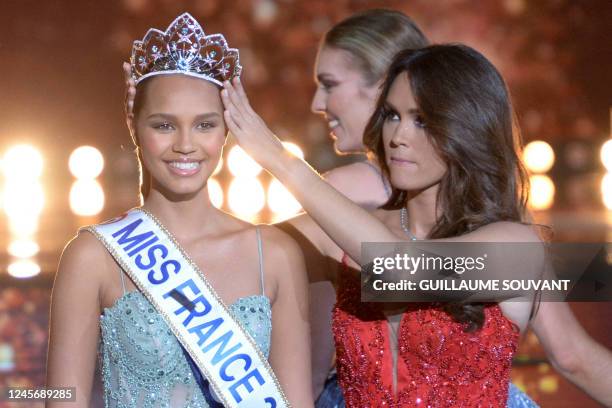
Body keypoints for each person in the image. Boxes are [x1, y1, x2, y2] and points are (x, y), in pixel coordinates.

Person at [124, 10, 612, 407]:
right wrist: (156, 147)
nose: (398, 134)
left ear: (466, 129)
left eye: (423, 120)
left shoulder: (518, 249)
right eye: (394, 115)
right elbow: (224, 256)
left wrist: (275, 156)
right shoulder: (348, 229)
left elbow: (572, 358)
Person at [47, 13, 313, 408]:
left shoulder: (274, 254)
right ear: (134, 124)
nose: (186, 145)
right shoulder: (93, 257)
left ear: (228, 129)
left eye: (205, 125)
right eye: (164, 126)